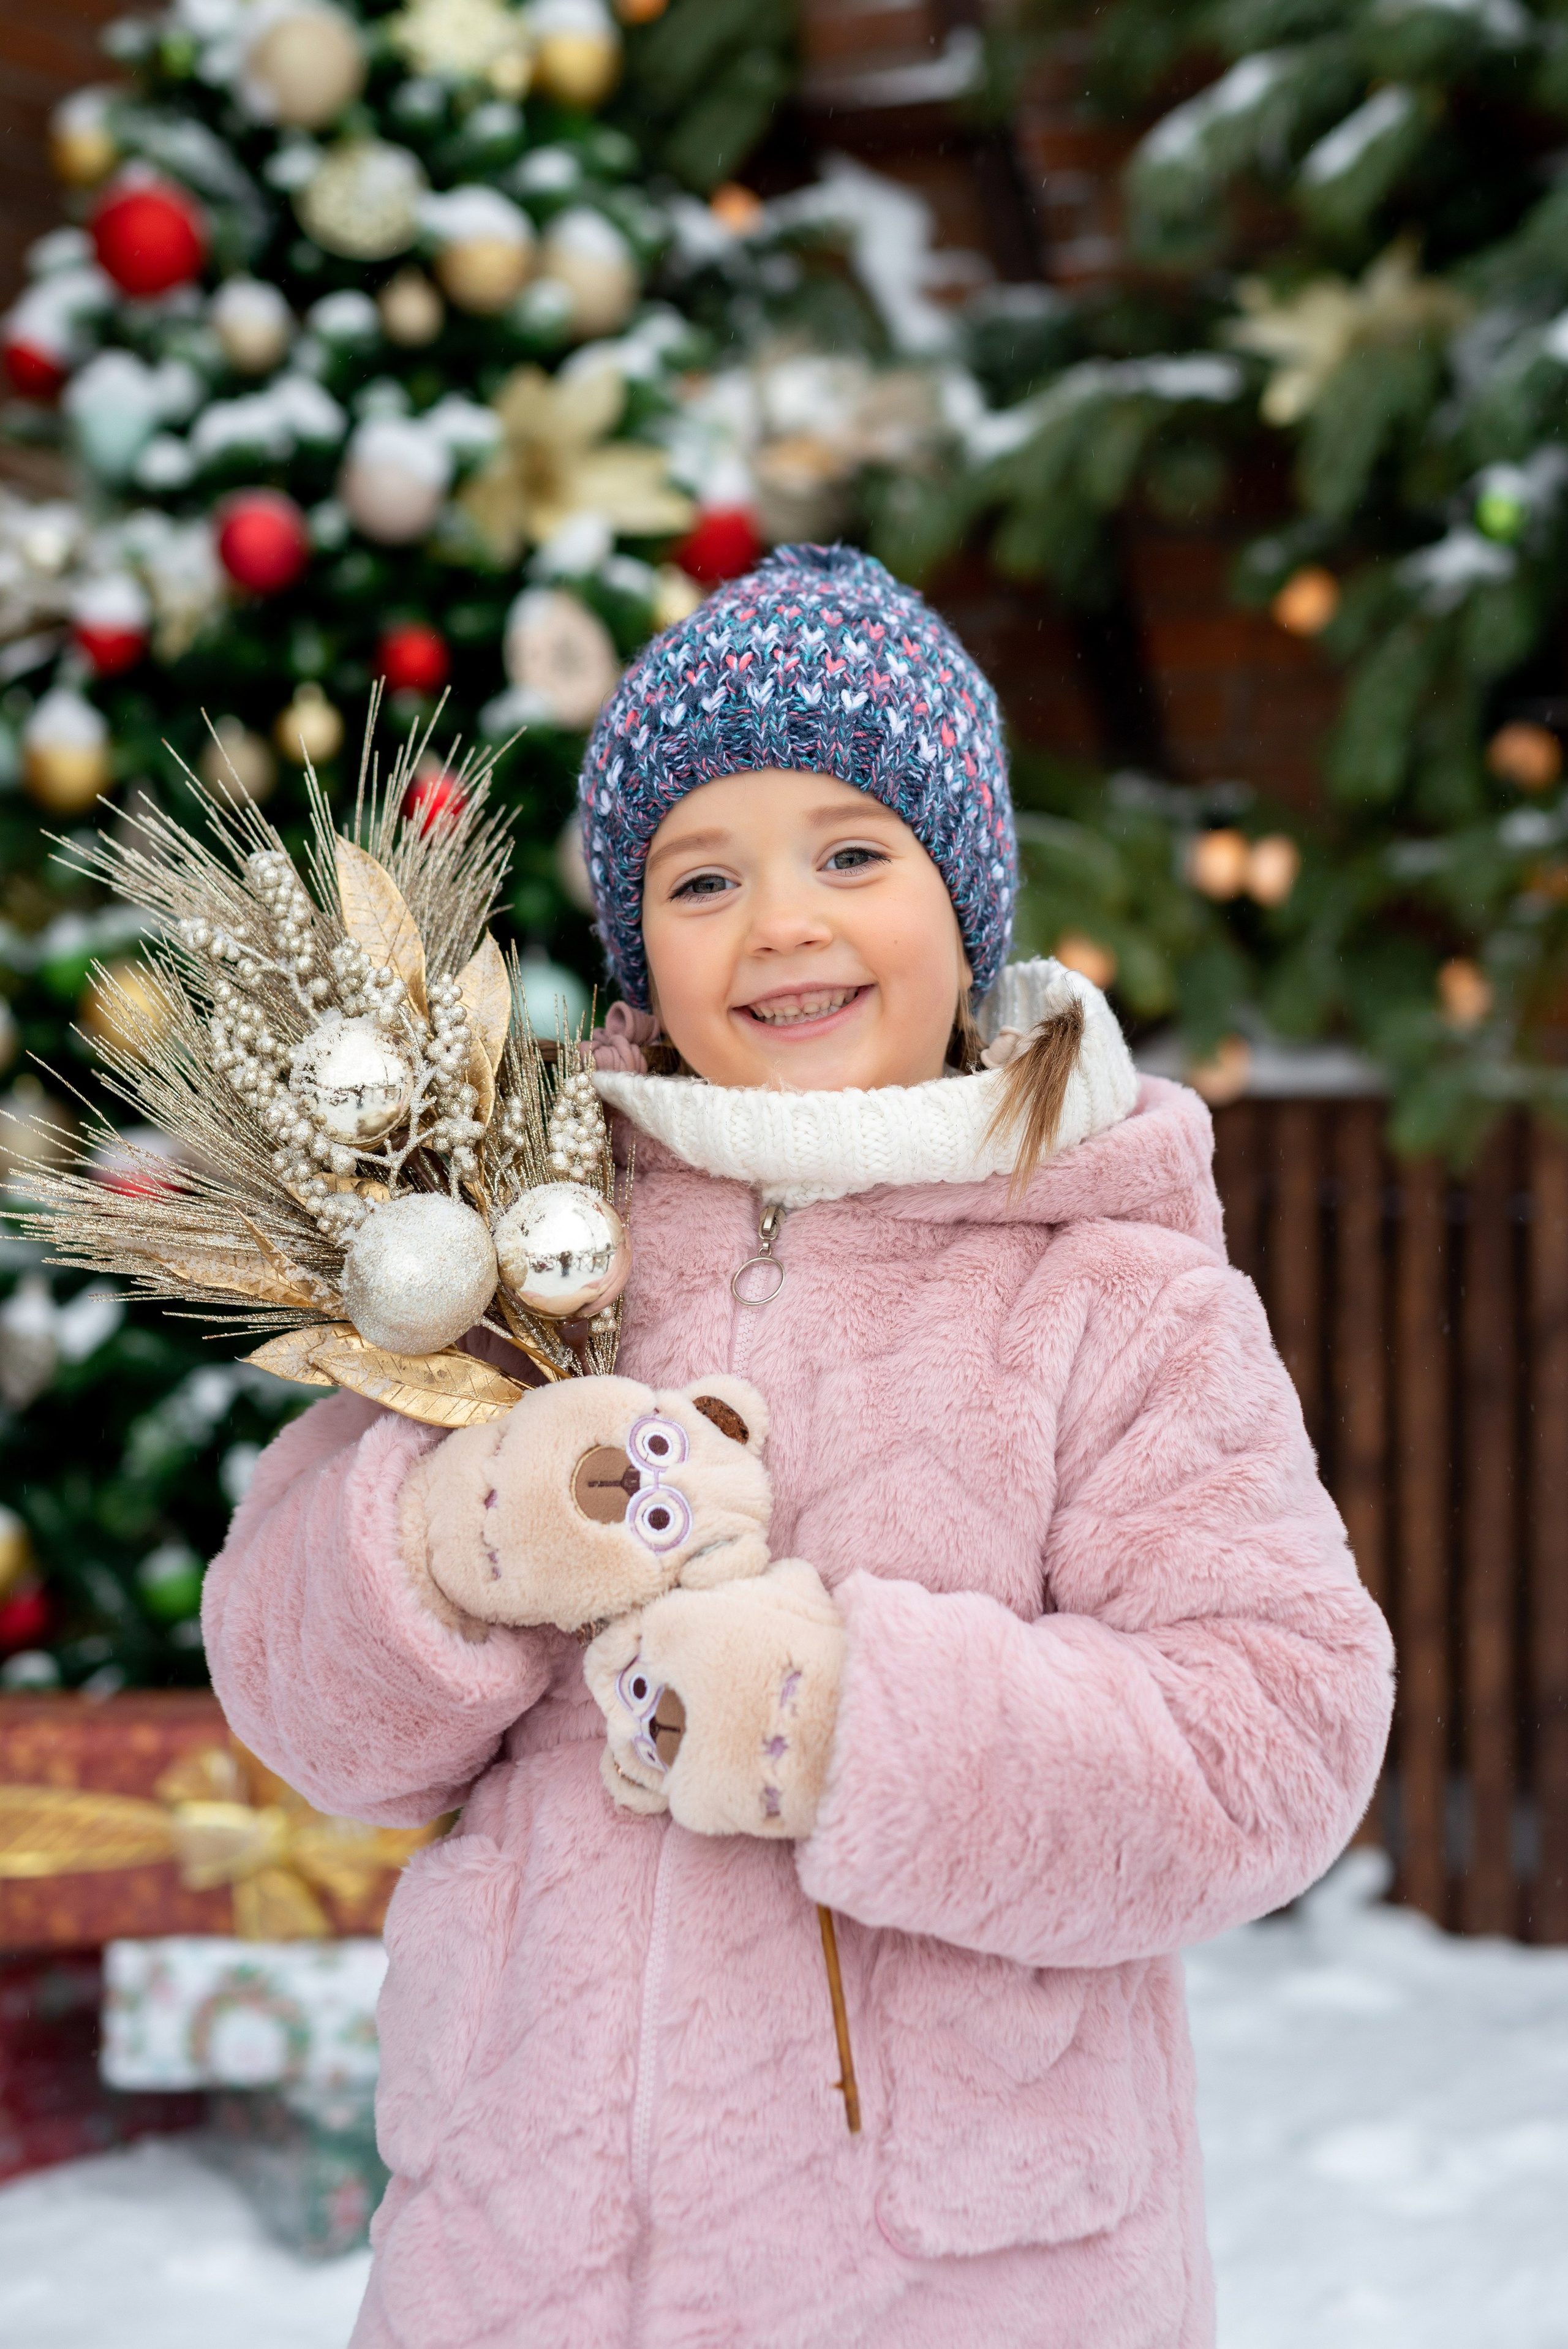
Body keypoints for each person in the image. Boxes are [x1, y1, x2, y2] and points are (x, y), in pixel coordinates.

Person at [203, 544, 1393, 2348]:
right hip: (521, 2269)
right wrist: (458, 1535)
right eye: (704, 874)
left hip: (960, 2285)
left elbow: (1274, 1729)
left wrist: (850, 1720)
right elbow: (298, 1696)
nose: (783, 923)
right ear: (636, 937)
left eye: (854, 850)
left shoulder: (1111, 1287)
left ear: (964, 893)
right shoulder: (527, 1243)